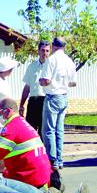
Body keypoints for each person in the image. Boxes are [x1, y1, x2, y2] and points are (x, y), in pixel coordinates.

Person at [0, 98, 52, 189]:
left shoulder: (11, 128)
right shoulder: (22, 123)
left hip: (29, 179)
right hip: (40, 176)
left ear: (8, 111)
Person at [39, 37, 76, 170]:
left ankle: (52, 159)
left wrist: (41, 82)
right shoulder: (69, 61)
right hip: (64, 96)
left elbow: (46, 80)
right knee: (59, 130)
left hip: (52, 95)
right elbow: (73, 82)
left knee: (48, 130)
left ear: (54, 46)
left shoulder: (52, 60)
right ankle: (59, 159)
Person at [19, 40, 50, 138]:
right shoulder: (31, 66)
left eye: (47, 51)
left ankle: (43, 152)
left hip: (45, 100)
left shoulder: (51, 67)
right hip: (33, 101)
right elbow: (27, 87)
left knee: (43, 130)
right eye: (43, 50)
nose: (45, 53)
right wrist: (21, 105)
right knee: (31, 131)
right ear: (38, 51)